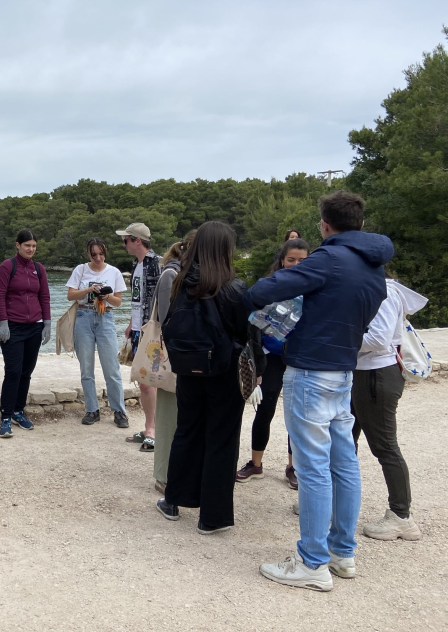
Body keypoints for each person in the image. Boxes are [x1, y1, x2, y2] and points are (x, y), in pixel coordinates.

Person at [245, 191, 393, 591]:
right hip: (344, 370)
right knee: (343, 463)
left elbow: (262, 292)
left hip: (311, 370)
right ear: (361, 224)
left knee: (312, 469)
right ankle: (342, 553)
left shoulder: (327, 259)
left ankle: (311, 563)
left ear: (324, 225)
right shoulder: (373, 265)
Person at [155, 221, 265, 534]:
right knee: (222, 440)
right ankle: (213, 516)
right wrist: (259, 371)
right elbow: (250, 334)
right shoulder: (235, 288)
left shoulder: (179, 283)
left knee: (186, 431)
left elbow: (169, 324)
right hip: (226, 371)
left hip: (189, 369)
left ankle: (174, 500)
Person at [352, 277, 425, 542]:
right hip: (364, 373)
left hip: (376, 375)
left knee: (384, 446)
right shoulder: (372, 287)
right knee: (345, 439)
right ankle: (335, 502)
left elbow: (378, 339)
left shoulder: (381, 292)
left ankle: (401, 516)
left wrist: (336, 337)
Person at [236, 237, 310, 488]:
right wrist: (256, 363)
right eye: (291, 260)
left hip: (298, 357)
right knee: (264, 411)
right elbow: (253, 325)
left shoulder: (315, 288)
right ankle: (256, 464)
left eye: (303, 260)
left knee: (296, 415)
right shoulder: (270, 286)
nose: (297, 264)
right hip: (270, 358)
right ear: (282, 260)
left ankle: (293, 467)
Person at [0, 230, 51, 438]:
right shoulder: (8, 266)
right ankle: (6, 417)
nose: (31, 249)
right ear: (17, 245)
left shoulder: (39, 269)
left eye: (34, 246)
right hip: (13, 328)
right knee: (13, 372)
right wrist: (3, 323)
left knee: (26, 372)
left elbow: (44, 296)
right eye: (27, 245)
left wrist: (47, 323)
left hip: (34, 327)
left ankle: (19, 411)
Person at [66, 237, 129, 428]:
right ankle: (92, 409)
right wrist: (88, 289)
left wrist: (105, 295)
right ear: (88, 254)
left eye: (101, 254)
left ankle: (119, 411)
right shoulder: (80, 270)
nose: (98, 258)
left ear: (105, 252)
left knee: (112, 368)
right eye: (94, 255)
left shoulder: (114, 272)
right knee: (86, 368)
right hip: (84, 316)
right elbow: (70, 295)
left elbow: (118, 302)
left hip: (106, 317)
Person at [153, 231, 196, 494]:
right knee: (168, 415)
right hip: (172, 356)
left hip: (185, 356)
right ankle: (163, 475)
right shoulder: (171, 274)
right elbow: (167, 319)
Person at [116, 222, 161, 452]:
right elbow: (139, 298)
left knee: (147, 381)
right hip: (137, 328)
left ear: (137, 241)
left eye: (126, 240)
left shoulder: (155, 264)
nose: (124, 244)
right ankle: (149, 427)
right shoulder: (137, 264)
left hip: (149, 331)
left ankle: (152, 429)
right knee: (142, 380)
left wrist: (151, 326)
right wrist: (131, 323)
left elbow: (159, 298)